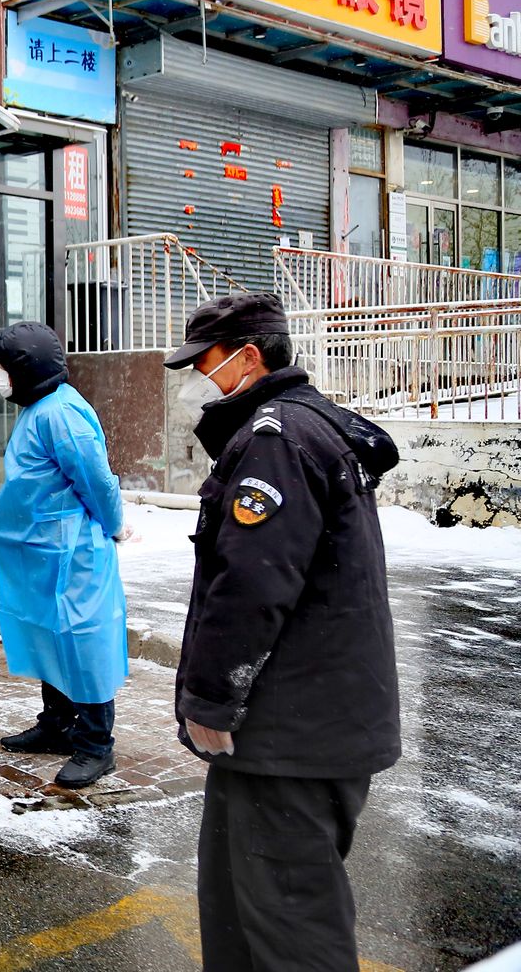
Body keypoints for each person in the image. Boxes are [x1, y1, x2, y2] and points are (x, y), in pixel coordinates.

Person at [164, 293, 400, 971]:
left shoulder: (278, 440)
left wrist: (210, 702)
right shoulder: (304, 429)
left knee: (290, 923)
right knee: (238, 907)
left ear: (249, 357)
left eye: (201, 364)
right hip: (298, 725)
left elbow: (252, 586)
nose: (193, 382)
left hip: (291, 731)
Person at [0, 322, 131, 791]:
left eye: (4, 368)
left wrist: (114, 525)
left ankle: (95, 744)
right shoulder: (39, 408)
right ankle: (57, 723)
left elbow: (98, 480)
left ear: (27, 369)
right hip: (44, 551)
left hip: (73, 553)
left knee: (83, 642)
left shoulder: (61, 413)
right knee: (50, 635)